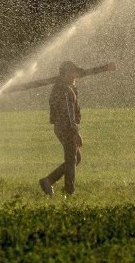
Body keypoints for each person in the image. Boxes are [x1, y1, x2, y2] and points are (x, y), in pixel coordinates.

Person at [39, 61, 115, 196]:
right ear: (66, 74)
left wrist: (104, 68)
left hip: (62, 127)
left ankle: (48, 180)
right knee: (71, 159)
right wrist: (75, 132)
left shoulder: (63, 86)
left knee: (74, 159)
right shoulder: (65, 91)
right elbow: (68, 114)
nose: (76, 75)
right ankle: (69, 191)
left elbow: (85, 72)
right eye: (73, 72)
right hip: (66, 128)